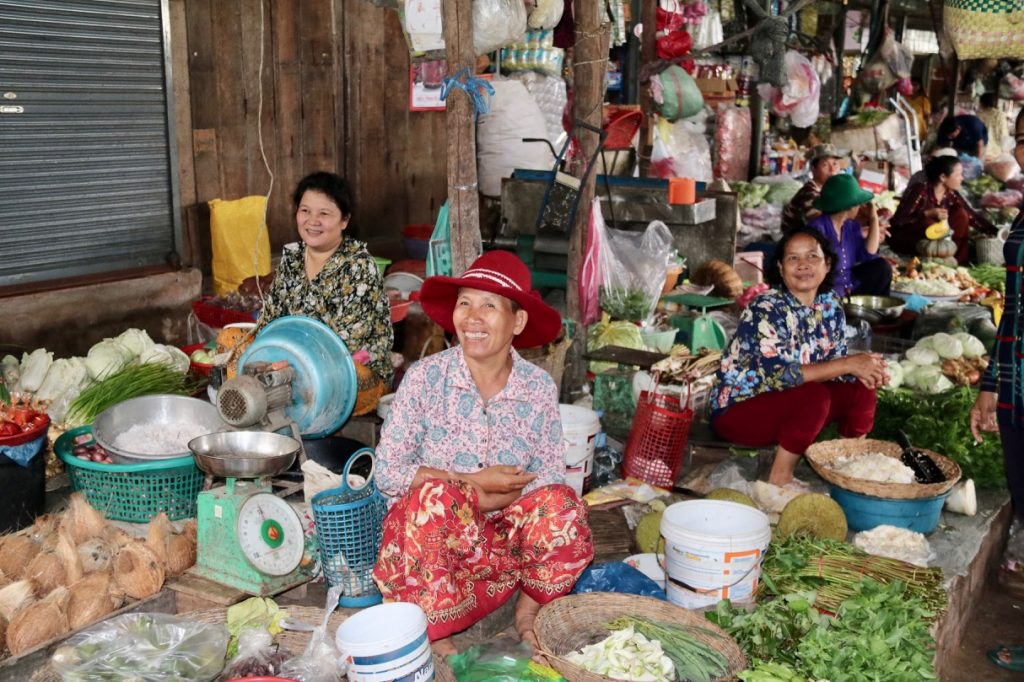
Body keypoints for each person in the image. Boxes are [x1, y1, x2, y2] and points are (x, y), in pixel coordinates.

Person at [372, 250, 593, 657]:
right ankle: (438, 635)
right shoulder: (425, 378)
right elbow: (387, 472)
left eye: (489, 305)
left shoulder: (537, 386)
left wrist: (505, 497)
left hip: (501, 541)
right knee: (433, 499)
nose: (472, 318)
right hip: (433, 546)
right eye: (464, 303)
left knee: (564, 506)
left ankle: (527, 613)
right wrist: (472, 486)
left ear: (518, 321)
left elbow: (547, 475)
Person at [709, 227, 888, 487]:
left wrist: (869, 367)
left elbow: (835, 367)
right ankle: (779, 479)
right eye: (793, 258)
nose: (803, 264)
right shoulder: (766, 307)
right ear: (781, 268)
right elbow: (780, 375)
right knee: (814, 396)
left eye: (812, 257)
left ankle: (850, 467)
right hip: (739, 411)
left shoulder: (830, 305)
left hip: (792, 404)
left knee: (862, 385)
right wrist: (849, 362)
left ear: (827, 264)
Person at [256, 172, 394, 385]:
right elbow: (271, 320)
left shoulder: (358, 266)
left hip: (348, 375)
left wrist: (290, 363)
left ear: (344, 220)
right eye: (305, 211)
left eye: (324, 214)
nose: (312, 221)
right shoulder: (292, 258)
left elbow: (347, 342)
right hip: (294, 366)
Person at [889, 155, 997, 264]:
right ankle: (925, 261)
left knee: (962, 214)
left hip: (938, 243)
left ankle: (958, 261)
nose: (962, 178)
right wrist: (927, 214)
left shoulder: (951, 194)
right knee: (929, 223)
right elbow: (899, 220)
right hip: (907, 240)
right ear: (943, 177)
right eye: (958, 175)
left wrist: (995, 232)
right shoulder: (920, 189)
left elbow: (971, 215)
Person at [806, 173, 892, 297]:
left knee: (882, 268)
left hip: (849, 287)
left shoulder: (850, 226)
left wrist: (873, 219)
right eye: (858, 203)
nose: (860, 207)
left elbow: (869, 254)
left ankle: (876, 314)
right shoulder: (817, 229)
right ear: (849, 206)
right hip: (826, 293)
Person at [781, 144, 844, 232]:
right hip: (798, 242)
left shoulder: (828, 190)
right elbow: (823, 226)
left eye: (835, 164)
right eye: (825, 165)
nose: (832, 169)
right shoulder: (809, 193)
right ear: (813, 169)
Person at [977, 92, 1009, 161]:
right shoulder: (1000, 115)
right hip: (995, 153)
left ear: (981, 103)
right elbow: (1004, 135)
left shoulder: (978, 115)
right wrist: (1006, 151)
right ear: (994, 103)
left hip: (980, 151)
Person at [906, 78, 932, 143]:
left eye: (916, 85)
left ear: (920, 86)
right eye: (912, 85)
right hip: (906, 125)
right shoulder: (905, 98)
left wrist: (927, 127)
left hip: (918, 126)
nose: (913, 87)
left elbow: (927, 114)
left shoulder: (923, 99)